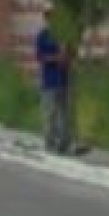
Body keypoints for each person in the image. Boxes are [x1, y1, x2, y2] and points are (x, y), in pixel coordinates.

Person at [35, 22, 71, 155]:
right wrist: (56, 58)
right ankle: (50, 144)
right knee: (50, 114)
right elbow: (40, 56)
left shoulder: (65, 35)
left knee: (64, 114)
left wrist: (66, 56)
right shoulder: (43, 36)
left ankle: (63, 144)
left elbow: (70, 55)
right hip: (49, 81)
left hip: (63, 80)